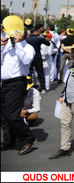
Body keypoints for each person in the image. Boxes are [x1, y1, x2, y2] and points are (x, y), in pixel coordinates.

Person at [1, 15, 36, 155]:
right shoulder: (6, 45)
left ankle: (28, 138)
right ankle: (8, 140)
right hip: (4, 83)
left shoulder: (27, 47)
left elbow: (26, 60)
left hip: (16, 83)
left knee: (12, 115)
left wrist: (17, 44)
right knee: (3, 116)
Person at [26, 24, 50, 94]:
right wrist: (41, 37)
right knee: (40, 73)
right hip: (37, 57)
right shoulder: (39, 38)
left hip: (29, 58)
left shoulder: (27, 39)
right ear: (36, 32)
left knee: (29, 73)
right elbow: (48, 43)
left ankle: (29, 87)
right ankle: (43, 88)